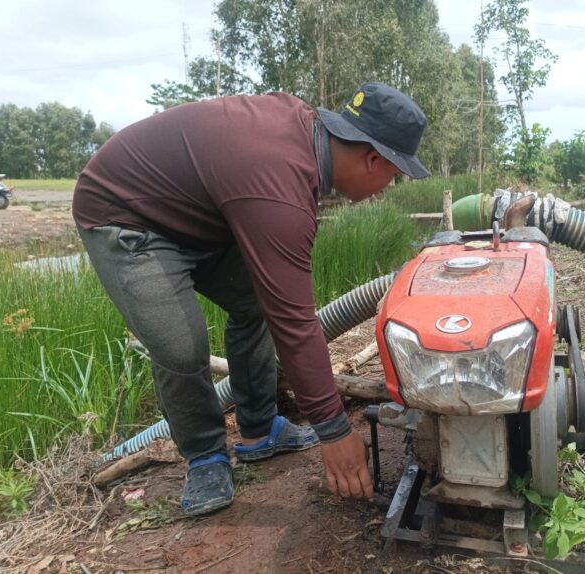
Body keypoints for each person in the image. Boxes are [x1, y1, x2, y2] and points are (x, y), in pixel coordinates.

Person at [72, 82, 430, 516]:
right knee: (180, 346)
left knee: (256, 302)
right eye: (393, 175)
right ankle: (205, 456)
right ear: (373, 157)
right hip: (127, 214)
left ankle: (260, 430)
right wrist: (334, 431)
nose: (387, 187)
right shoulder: (278, 185)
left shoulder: (303, 144)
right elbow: (295, 323)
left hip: (200, 213)